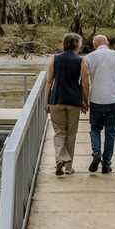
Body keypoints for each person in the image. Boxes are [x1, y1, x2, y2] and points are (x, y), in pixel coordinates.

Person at [84, 34, 115, 174]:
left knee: (95, 129)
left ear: (94, 45)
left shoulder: (89, 57)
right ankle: (106, 164)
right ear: (107, 42)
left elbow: (84, 81)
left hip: (96, 100)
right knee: (110, 132)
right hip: (113, 99)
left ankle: (96, 153)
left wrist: (85, 100)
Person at [46, 33, 90, 176]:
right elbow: (84, 83)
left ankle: (60, 159)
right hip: (73, 101)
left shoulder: (54, 58)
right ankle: (69, 167)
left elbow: (49, 82)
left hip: (56, 100)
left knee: (59, 132)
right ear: (76, 44)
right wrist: (85, 101)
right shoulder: (81, 60)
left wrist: (47, 101)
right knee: (71, 134)